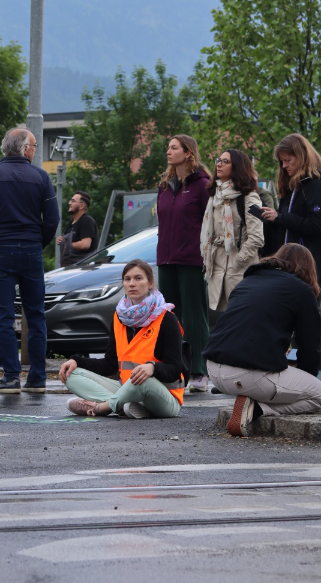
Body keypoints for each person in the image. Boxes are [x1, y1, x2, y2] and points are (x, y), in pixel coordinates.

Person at [0, 127, 60, 394]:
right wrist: (38, 242)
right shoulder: (41, 177)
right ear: (24, 149)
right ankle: (37, 378)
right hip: (31, 250)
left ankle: (11, 377)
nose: (34, 150)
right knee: (35, 315)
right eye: (33, 146)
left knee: (4, 315)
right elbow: (52, 220)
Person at [204, 244, 321, 437]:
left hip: (214, 370)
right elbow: (310, 346)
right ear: (308, 268)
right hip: (249, 376)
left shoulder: (247, 282)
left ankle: (251, 402)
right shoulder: (302, 290)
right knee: (318, 396)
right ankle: (258, 409)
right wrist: (304, 382)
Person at [59, 260, 184, 418]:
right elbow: (110, 365)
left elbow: (174, 369)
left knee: (142, 381)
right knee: (71, 374)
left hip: (163, 396)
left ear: (151, 283)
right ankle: (127, 407)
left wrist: (153, 368)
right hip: (126, 388)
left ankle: (102, 408)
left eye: (138, 278)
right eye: (127, 279)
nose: (132, 284)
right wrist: (77, 361)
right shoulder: (119, 317)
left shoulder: (167, 318)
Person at [156, 134, 211, 392]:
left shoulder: (202, 184)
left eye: (174, 148)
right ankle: (174, 370)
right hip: (166, 258)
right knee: (169, 315)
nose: (168, 151)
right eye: (168, 148)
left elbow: (210, 223)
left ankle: (199, 370)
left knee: (194, 314)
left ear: (188, 152)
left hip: (191, 258)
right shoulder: (165, 185)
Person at [200, 148, 264, 313]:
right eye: (218, 160)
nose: (218, 165)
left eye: (225, 161)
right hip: (217, 269)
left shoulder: (250, 197)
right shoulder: (215, 196)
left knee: (244, 319)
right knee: (224, 322)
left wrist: (239, 262)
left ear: (237, 167)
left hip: (240, 270)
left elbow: (257, 237)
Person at [261, 133, 321, 283]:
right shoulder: (290, 186)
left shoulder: (314, 185)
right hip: (289, 264)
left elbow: (316, 224)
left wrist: (280, 217)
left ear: (301, 157)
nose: (284, 166)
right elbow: (286, 226)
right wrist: (269, 220)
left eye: (288, 160)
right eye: (282, 161)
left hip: (308, 266)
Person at [57, 191, 99, 267]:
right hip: (70, 269)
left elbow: (85, 244)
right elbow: (70, 239)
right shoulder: (72, 222)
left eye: (73, 201)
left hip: (81, 270)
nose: (69, 203)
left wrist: (67, 243)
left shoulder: (86, 220)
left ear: (81, 206)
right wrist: (61, 240)